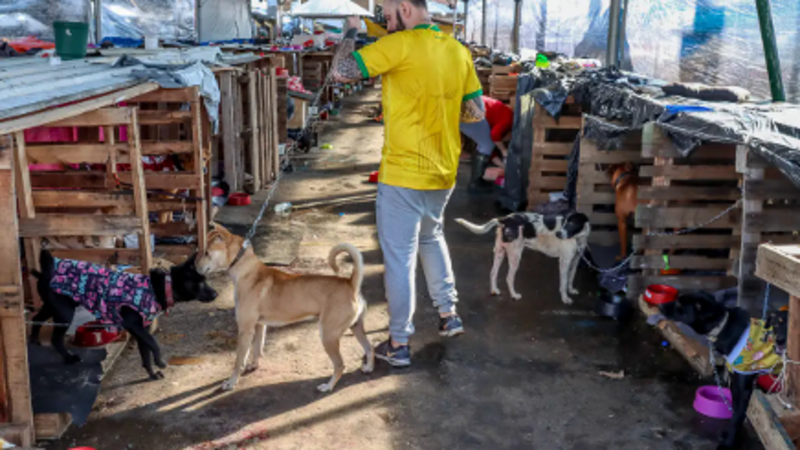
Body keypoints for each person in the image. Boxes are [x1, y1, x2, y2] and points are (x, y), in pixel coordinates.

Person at [330, 0, 485, 367]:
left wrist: (352, 30)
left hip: (403, 174)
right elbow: (475, 111)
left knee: (399, 258)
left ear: (404, 7)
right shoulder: (458, 51)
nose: (384, 19)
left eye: (385, 12)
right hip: (443, 172)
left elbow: (341, 71)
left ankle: (399, 342)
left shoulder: (398, 46)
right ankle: (449, 315)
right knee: (431, 238)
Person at [459, 95, 514, 193]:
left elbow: (489, 149)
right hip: (469, 110)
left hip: (466, 108)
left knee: (485, 144)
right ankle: (475, 185)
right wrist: (504, 150)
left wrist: (504, 167)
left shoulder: (498, 119)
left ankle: (477, 182)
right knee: (486, 144)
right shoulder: (509, 119)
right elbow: (495, 135)